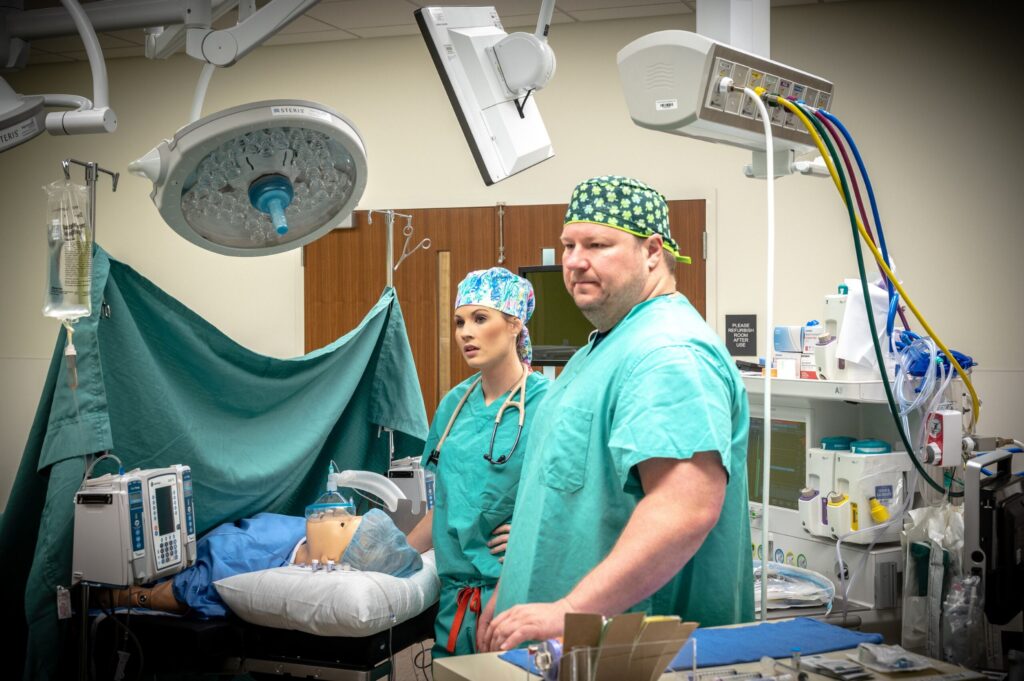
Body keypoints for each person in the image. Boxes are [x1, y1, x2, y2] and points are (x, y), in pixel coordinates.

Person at [477, 176, 754, 652]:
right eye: (568, 245)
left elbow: (684, 509)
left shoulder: (667, 353)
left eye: (597, 244)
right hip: (556, 643)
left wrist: (569, 610)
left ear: (651, 251)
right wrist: (512, 589)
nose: (574, 261)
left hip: (626, 652)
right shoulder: (603, 347)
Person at [406, 267, 549, 657]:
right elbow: (446, 509)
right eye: (459, 322)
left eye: (480, 319)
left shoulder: (549, 404)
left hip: (521, 594)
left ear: (515, 324)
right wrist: (393, 558)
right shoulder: (453, 406)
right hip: (456, 602)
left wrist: (530, 531)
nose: (465, 332)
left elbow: (576, 501)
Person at [103, 507, 422, 616]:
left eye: (343, 524)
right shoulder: (306, 531)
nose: (337, 513)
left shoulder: (258, 564)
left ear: (330, 561)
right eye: (350, 515)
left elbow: (187, 591)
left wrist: (132, 597)